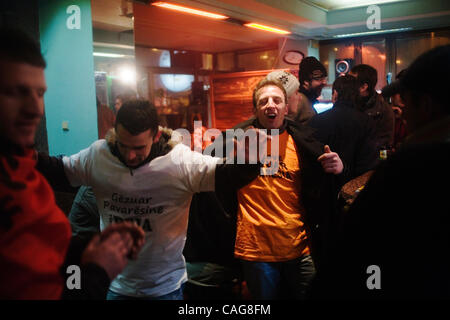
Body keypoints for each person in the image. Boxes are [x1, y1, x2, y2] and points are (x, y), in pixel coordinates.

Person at [37, 99, 263, 300]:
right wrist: (20, 155)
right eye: (123, 146)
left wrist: (250, 161)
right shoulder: (99, 155)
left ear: (156, 136)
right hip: (117, 285)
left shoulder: (179, 162)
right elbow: (59, 171)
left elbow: (227, 176)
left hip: (164, 287)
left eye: (138, 148)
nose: (130, 155)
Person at [0, 27, 145, 300]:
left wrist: (91, 246)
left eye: (39, 93)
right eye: (16, 92)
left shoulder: (21, 170)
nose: (35, 109)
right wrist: (97, 271)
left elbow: (44, 256)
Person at [321, 44, 450, 299]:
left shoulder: (409, 167)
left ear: (426, 105)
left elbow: (357, 246)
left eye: (406, 99)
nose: (400, 110)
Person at [225, 78, 344, 299]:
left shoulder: (304, 142)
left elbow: (320, 187)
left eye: (277, 100)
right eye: (263, 101)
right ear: (255, 109)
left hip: (299, 247)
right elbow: (219, 182)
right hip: (255, 250)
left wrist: (338, 168)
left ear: (285, 108)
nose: (271, 104)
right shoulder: (236, 141)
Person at [308, 75, 378, 191]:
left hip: (323, 192)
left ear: (335, 94)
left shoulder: (316, 121)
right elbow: (369, 164)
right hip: (355, 193)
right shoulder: (367, 122)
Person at [349, 64, 395, 153]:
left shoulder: (383, 110)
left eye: (351, 82)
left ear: (363, 87)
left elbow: (384, 146)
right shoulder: (348, 104)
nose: (347, 84)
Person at [295, 56, 328, 124]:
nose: (324, 82)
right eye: (319, 79)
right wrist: (273, 135)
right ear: (306, 81)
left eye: (324, 78)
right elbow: (274, 126)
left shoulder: (306, 100)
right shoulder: (298, 101)